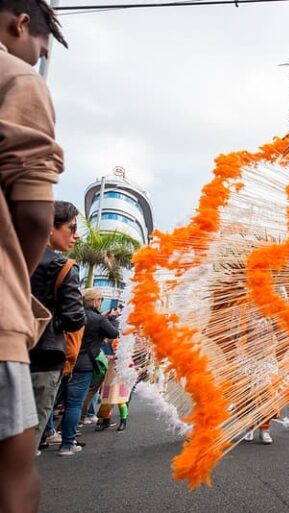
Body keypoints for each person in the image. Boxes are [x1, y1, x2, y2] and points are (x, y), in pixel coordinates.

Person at [0, 1, 67, 511]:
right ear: (20, 23)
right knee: (13, 478)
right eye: (40, 49)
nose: (35, 57)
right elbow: (35, 217)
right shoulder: (19, 79)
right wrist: (14, 282)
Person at [29, 201, 84, 449]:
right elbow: (74, 319)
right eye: (71, 228)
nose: (76, 235)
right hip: (44, 355)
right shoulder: (63, 267)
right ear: (50, 228)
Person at [58, 288, 118, 455]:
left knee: (58, 402)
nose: (101, 302)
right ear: (95, 301)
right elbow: (114, 333)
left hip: (64, 361)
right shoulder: (97, 319)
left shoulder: (71, 313)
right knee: (74, 404)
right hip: (83, 365)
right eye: (100, 299)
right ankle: (67, 443)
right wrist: (111, 318)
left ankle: (51, 434)